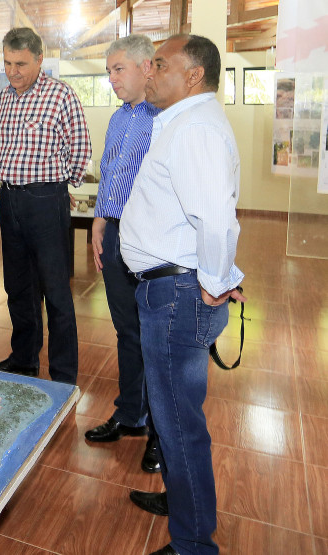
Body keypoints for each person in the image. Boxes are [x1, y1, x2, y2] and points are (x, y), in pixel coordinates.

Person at [120, 35, 245, 555]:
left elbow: (215, 220)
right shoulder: (184, 123)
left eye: (160, 65)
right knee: (174, 416)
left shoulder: (194, 130)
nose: (148, 73)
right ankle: (183, 500)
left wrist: (216, 282)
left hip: (176, 295)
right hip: (171, 289)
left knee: (177, 423)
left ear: (192, 75)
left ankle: (193, 543)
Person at [0, 27, 91, 385]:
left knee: (56, 291)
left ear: (40, 59)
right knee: (18, 287)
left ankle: (62, 375)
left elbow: (80, 150)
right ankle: (24, 359)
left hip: (45, 201)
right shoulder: (3, 99)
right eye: (7, 63)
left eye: (21, 63)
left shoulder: (61, 95)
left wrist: (60, 185)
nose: (13, 71)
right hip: (9, 199)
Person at [83, 34, 161, 474]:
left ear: (146, 67)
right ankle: (131, 413)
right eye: (109, 70)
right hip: (113, 233)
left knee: (154, 337)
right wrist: (98, 219)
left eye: (118, 69)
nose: (111, 78)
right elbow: (111, 172)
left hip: (148, 240)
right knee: (126, 331)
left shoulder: (164, 118)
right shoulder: (118, 118)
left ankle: (159, 433)